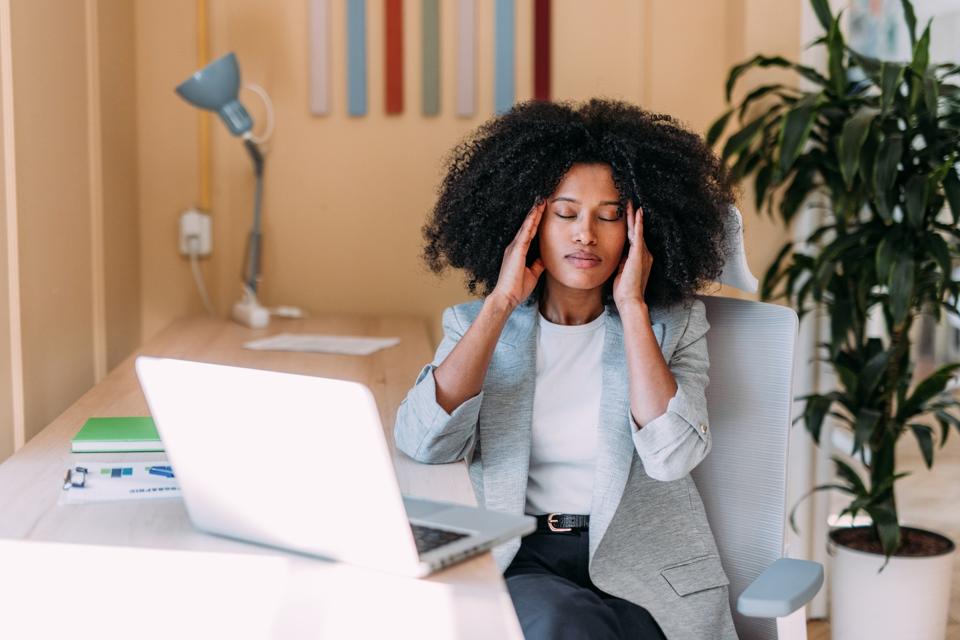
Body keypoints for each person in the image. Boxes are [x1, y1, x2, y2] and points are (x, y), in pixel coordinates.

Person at [394, 98, 739, 640]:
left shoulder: (674, 326)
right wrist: (501, 302)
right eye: (566, 213)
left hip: (644, 567)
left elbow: (672, 456)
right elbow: (422, 441)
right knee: (563, 623)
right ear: (527, 223)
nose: (586, 234)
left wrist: (632, 310)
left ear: (637, 232)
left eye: (609, 217)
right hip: (525, 558)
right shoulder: (476, 326)